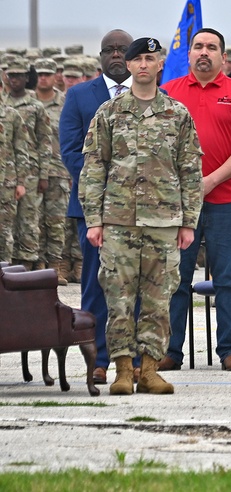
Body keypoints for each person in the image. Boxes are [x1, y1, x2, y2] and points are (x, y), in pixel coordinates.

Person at [80, 37, 203, 395]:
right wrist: (94, 220)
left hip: (164, 222)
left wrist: (188, 221)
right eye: (138, 60)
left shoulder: (177, 114)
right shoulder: (109, 112)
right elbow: (93, 169)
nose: (144, 65)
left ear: (160, 64)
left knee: (158, 299)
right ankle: (121, 369)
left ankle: (149, 369)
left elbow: (190, 171)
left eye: (150, 58)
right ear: (129, 66)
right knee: (117, 297)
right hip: (118, 221)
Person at [161, 27, 231, 372]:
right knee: (175, 278)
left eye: (211, 47)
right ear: (188, 54)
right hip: (177, 203)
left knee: (229, 279)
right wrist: (186, 187)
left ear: (223, 56)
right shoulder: (168, 93)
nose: (204, 52)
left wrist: (210, 181)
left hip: (228, 200)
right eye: (198, 46)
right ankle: (170, 350)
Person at [60, 29, 134, 384]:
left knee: (135, 286)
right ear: (100, 56)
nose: (117, 55)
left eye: (123, 50)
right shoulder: (78, 96)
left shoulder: (151, 94)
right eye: (110, 50)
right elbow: (71, 151)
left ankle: (132, 359)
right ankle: (98, 359)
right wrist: (105, 188)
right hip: (93, 209)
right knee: (95, 286)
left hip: (140, 209)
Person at [4, 58, 53, 271]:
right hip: (7, 171)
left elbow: (44, 141)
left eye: (19, 75)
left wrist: (44, 174)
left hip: (31, 170)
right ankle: (9, 263)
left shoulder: (36, 106)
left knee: (28, 219)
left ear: (26, 78)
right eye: (11, 75)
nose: (14, 80)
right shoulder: (3, 104)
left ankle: (28, 263)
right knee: (7, 222)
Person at [32, 58, 72, 284]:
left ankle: (56, 265)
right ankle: (38, 263)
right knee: (34, 220)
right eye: (40, 73)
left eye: (49, 73)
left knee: (57, 222)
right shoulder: (28, 102)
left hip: (59, 170)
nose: (44, 77)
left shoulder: (64, 102)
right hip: (33, 171)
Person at [0, 100, 30, 263]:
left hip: (6, 184)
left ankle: (3, 275)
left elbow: (21, 150)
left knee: (4, 232)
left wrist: (21, 181)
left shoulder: (11, 115)